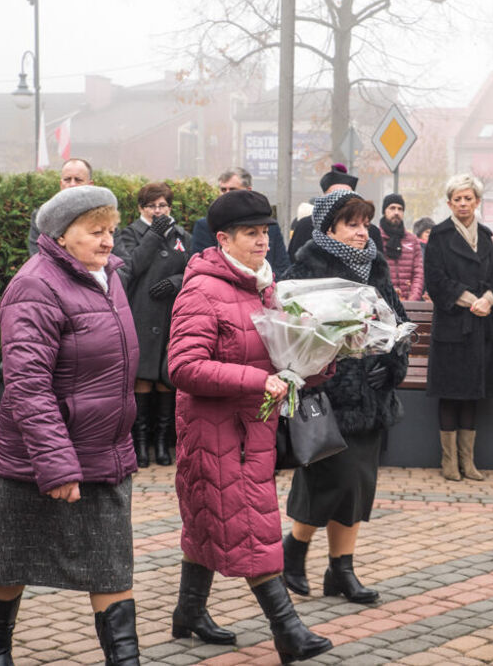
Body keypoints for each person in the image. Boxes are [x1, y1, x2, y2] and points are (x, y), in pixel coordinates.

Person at [0, 185, 141, 665]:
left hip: (103, 452)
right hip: (41, 456)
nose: (108, 241)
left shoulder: (109, 276)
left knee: (111, 568)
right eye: (96, 231)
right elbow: (27, 385)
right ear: (62, 235)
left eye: (111, 230)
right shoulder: (34, 285)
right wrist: (58, 464)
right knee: (11, 558)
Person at [168, 189, 332, 663]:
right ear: (223, 239)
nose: (262, 241)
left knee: (209, 522)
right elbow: (182, 367)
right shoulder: (202, 288)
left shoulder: (264, 284)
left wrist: (325, 355)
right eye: (251, 233)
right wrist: (258, 380)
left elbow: (282, 356)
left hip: (251, 430)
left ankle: (189, 613)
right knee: (249, 527)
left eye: (265, 232)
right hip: (214, 431)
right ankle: (288, 631)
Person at [280, 189, 409, 607]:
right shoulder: (307, 265)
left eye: (363, 223)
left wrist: (391, 362)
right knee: (327, 480)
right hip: (327, 395)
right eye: (350, 224)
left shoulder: (375, 264)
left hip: (370, 394)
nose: (360, 231)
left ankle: (342, 569)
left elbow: (397, 319)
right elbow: (289, 329)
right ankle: (294, 549)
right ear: (329, 227)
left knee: (358, 485)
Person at [424, 174, 493, 481]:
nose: (462, 203)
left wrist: (488, 298)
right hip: (453, 327)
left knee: (473, 393)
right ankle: (448, 462)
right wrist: (468, 298)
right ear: (449, 203)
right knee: (451, 394)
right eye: (457, 199)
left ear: (477, 202)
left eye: (468, 198)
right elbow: (435, 279)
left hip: (481, 329)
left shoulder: (485, 236)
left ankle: (467, 462)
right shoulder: (439, 236)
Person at [113, 182, 193, 468]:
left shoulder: (182, 235)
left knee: (166, 379)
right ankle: (140, 444)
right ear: (141, 208)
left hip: (172, 314)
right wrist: (153, 235)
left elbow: (194, 271)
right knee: (142, 378)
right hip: (141, 314)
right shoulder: (130, 233)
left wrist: (176, 281)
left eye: (162, 206)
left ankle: (162, 443)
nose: (158, 211)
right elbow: (130, 266)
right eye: (151, 206)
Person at [189, 167, 291, 275]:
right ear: (223, 239)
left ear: (249, 190)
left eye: (232, 190)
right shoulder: (205, 226)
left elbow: (283, 268)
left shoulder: (272, 227)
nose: (226, 194)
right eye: (223, 190)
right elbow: (203, 266)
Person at [288, 164, 383, 258]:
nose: (361, 232)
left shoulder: (371, 232)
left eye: (347, 194)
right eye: (335, 195)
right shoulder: (305, 226)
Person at [27, 158, 94, 256]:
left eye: (78, 180)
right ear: (61, 185)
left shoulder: (104, 217)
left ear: (90, 185)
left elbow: (121, 266)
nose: (72, 184)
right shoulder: (43, 217)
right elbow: (38, 257)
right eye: (67, 180)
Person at [379, 193, 425, 301]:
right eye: (392, 208)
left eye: (400, 209)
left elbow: (418, 272)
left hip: (409, 302)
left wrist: (412, 299)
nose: (396, 212)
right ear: (384, 211)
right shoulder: (376, 237)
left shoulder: (412, 240)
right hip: (383, 302)